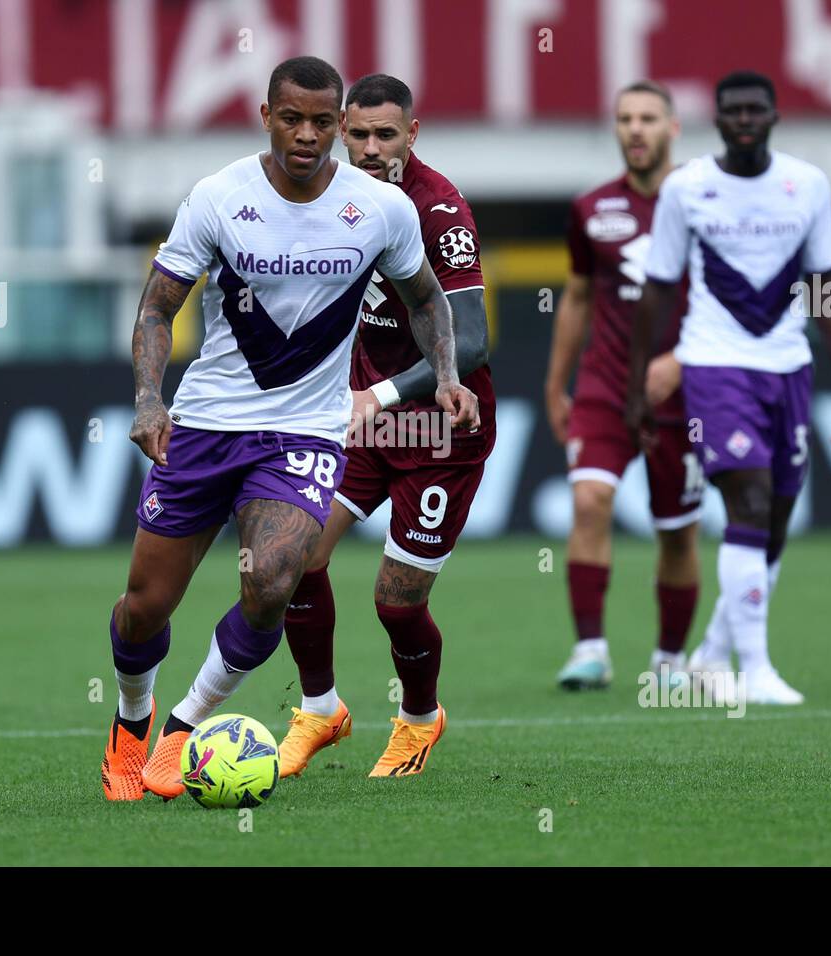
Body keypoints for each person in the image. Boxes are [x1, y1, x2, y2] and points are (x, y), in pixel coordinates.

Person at [99, 56, 478, 801]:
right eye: (292, 119)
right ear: (266, 115)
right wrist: (149, 398)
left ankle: (181, 730)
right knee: (144, 607)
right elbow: (155, 308)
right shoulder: (218, 197)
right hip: (206, 425)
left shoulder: (379, 209)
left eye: (322, 122)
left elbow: (430, 301)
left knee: (271, 580)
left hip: (303, 432)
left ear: (338, 124)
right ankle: (130, 719)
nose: (308, 135)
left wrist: (448, 373)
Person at [278, 73, 492, 779]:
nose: (372, 150)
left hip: (440, 430)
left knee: (396, 604)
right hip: (363, 418)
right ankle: (319, 709)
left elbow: (474, 339)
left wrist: (381, 395)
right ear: (342, 130)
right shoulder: (329, 198)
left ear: (413, 135)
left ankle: (419, 720)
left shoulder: (439, 210)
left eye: (386, 135)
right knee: (289, 557)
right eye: (360, 134)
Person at [628, 71, 831, 705]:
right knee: (750, 504)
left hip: (789, 366)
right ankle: (754, 669)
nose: (743, 119)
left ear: (773, 115)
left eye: (754, 110)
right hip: (713, 363)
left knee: (777, 520)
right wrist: (637, 383)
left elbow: (824, 286)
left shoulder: (807, 185)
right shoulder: (688, 189)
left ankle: (711, 654)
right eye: (731, 110)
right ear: (718, 120)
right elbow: (657, 288)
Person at [545, 80, 701, 692]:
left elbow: (730, 300)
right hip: (606, 389)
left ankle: (668, 660)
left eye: (648, 118)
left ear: (673, 128)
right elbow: (578, 297)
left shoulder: (703, 204)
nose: (635, 129)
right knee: (589, 502)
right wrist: (558, 383)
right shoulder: (591, 210)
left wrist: (683, 361)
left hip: (683, 397)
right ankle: (590, 649)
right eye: (624, 119)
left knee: (677, 530)